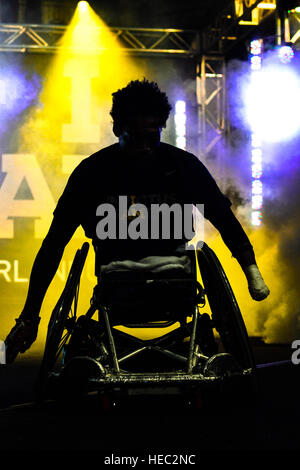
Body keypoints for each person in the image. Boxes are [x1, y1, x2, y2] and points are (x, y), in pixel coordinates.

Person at [4, 78, 270, 364]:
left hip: (175, 285)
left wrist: (251, 269)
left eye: (151, 137)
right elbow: (54, 243)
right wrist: (30, 316)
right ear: (117, 129)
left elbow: (223, 217)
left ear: (161, 129)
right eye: (135, 138)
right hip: (117, 285)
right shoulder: (91, 172)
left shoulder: (184, 166)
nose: (144, 147)